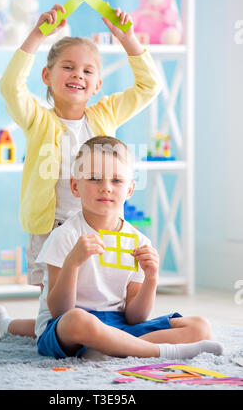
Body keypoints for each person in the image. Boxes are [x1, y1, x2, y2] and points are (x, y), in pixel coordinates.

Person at [0, 2, 162, 338]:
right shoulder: (37, 119)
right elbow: (10, 87)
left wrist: (128, 40)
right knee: (54, 317)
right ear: (47, 77)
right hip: (53, 228)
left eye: (88, 71)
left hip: (100, 228)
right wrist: (36, 36)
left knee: (94, 310)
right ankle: (6, 326)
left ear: (97, 86)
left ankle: (15, 328)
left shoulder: (105, 114)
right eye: (68, 67)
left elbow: (149, 87)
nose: (78, 74)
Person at [35, 136, 223, 360]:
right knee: (78, 320)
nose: (106, 188)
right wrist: (72, 262)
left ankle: (107, 349)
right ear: (76, 186)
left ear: (130, 189)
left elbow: (135, 318)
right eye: (94, 179)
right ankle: (160, 351)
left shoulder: (139, 241)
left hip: (119, 324)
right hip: (70, 328)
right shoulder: (65, 236)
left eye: (116, 181)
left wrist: (152, 278)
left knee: (200, 327)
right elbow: (60, 312)